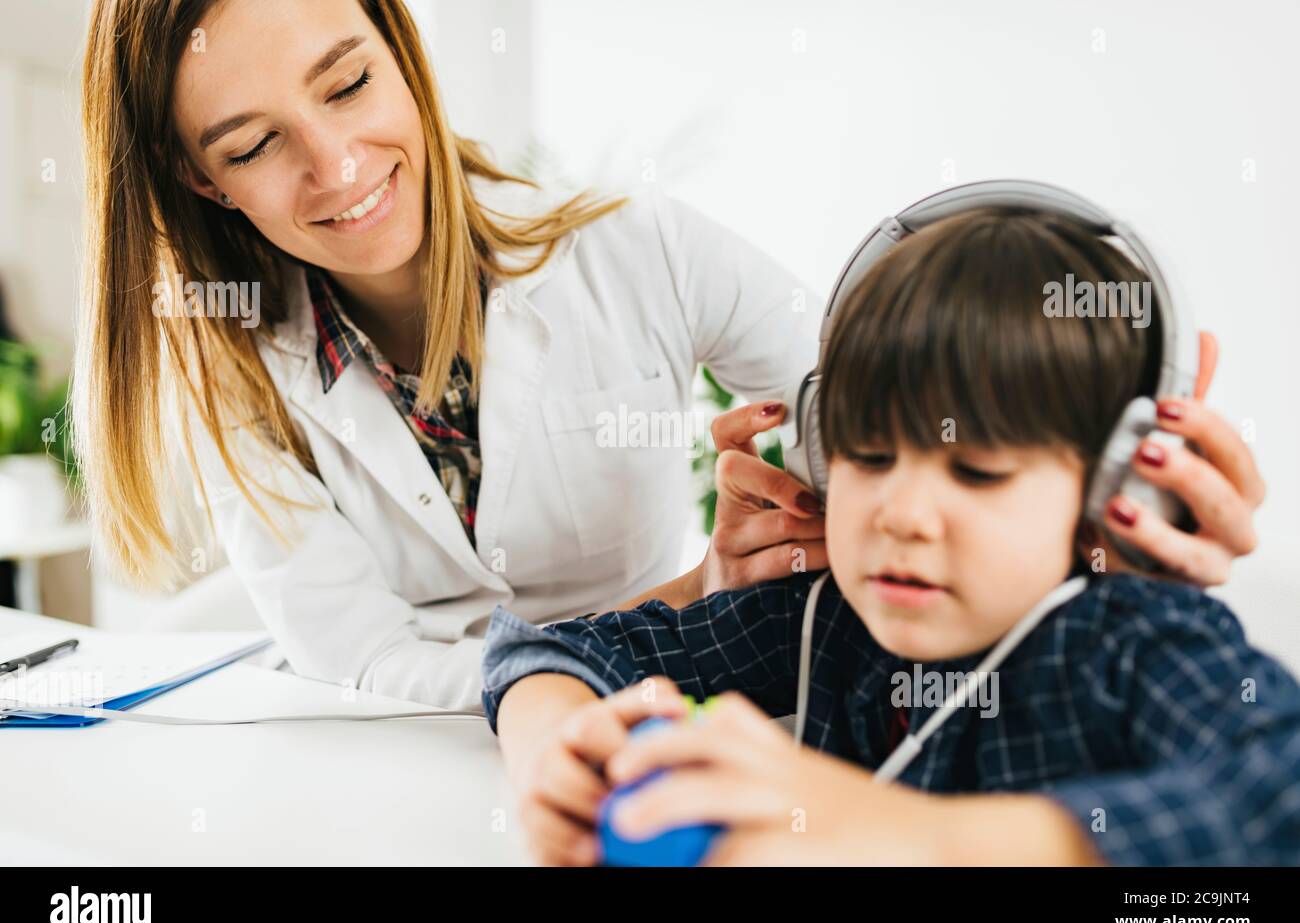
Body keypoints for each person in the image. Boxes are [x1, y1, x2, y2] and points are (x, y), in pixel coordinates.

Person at [75, 0, 1264, 713]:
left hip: (662, 699)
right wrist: (676, 599)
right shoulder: (225, 367)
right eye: (254, 143)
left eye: (348, 81)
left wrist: (1085, 520)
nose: (337, 166)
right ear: (198, 176)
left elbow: (858, 402)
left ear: (399, 47)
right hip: (414, 754)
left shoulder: (628, 243)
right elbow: (366, 666)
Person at [483, 207, 1297, 866]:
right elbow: (541, 650)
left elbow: (1277, 791)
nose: (901, 514)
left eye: (977, 471)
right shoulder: (826, 617)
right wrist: (557, 751)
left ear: (1113, 485)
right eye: (868, 457)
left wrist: (901, 833)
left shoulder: (1130, 643)